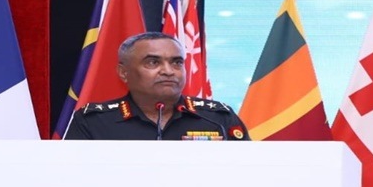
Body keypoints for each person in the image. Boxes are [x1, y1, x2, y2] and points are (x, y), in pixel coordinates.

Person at [63, 32, 250, 141]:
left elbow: (248, 174)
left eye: (177, 63)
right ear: (123, 72)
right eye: (153, 63)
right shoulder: (94, 121)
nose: (168, 71)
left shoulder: (217, 119)